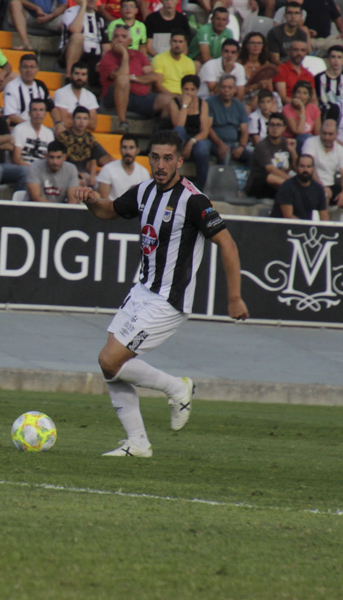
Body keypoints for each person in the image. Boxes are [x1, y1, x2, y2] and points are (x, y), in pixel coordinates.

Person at [71, 129, 249, 457]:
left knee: (111, 360)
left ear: (180, 161)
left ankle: (177, 387)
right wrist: (90, 199)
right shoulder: (144, 192)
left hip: (169, 299)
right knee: (108, 365)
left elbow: (228, 244)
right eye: (155, 157)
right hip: (142, 290)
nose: (161, 164)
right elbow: (107, 211)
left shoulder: (193, 200)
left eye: (168, 158)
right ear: (148, 159)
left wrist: (234, 297)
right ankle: (138, 443)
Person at [103, 25, 172, 131]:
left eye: (123, 36)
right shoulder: (108, 57)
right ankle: (123, 122)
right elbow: (121, 76)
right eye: (116, 36)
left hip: (140, 97)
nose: (119, 39)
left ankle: (160, 134)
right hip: (115, 96)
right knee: (123, 80)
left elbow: (153, 76)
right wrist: (125, 55)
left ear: (130, 41)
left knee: (169, 100)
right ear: (112, 40)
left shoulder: (139, 55)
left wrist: (135, 78)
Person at [302, 119, 343, 211]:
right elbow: (310, 168)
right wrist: (322, 187)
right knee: (324, 194)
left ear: (336, 135)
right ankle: (323, 224)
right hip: (311, 183)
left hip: (330, 184)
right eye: (324, 133)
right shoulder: (310, 142)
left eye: (330, 134)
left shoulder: (340, 150)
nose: (327, 137)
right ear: (320, 132)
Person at [171, 74, 213, 188]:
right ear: (181, 89)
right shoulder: (174, 102)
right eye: (186, 89)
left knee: (202, 149)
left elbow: (205, 131)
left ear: (197, 90)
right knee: (179, 130)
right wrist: (184, 105)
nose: (189, 92)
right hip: (180, 137)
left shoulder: (203, 104)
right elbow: (179, 125)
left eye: (192, 89)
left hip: (197, 138)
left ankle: (200, 187)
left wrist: (191, 142)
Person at [57, 105, 110, 187]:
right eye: (78, 118)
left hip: (84, 174)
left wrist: (92, 176)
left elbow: (93, 160)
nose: (82, 121)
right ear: (73, 119)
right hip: (65, 172)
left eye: (85, 119)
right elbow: (60, 160)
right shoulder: (64, 137)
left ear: (88, 121)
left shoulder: (90, 139)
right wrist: (78, 173)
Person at [247, 111, 296, 197]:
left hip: (279, 184)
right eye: (272, 125)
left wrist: (293, 151)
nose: (275, 128)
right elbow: (270, 169)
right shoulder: (262, 145)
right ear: (268, 127)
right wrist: (292, 182)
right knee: (268, 176)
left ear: (284, 128)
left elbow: (295, 167)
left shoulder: (287, 143)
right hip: (260, 185)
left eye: (278, 125)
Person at [206, 74, 250, 167]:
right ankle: (223, 181)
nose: (227, 90)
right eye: (224, 87)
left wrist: (241, 147)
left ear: (235, 89)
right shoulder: (210, 103)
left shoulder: (239, 106)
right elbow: (208, 127)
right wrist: (220, 144)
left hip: (234, 144)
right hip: (215, 143)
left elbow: (245, 130)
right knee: (225, 156)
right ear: (219, 88)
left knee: (252, 157)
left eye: (230, 87)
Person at [59, 0, 108, 86]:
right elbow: (75, 30)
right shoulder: (71, 12)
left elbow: (106, 44)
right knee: (78, 37)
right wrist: (83, 7)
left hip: (94, 56)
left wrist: (103, 61)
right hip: (74, 53)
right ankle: (69, 77)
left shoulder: (100, 18)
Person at [271, 154, 328, 220]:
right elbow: (288, 216)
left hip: (306, 227)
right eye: (302, 166)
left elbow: (324, 218)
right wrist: (305, 227)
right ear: (297, 168)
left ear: (313, 169)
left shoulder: (318, 189)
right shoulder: (286, 187)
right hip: (284, 227)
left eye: (308, 167)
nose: (305, 170)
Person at [96, 134, 150, 201]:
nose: (128, 152)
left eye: (131, 148)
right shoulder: (107, 169)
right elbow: (104, 200)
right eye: (124, 147)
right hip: (111, 209)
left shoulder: (144, 173)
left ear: (137, 150)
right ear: (120, 149)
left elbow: (144, 200)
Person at [1, 53, 49, 126]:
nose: (28, 70)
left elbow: (52, 107)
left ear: (37, 69)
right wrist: (29, 126)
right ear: (19, 69)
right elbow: (10, 115)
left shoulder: (40, 85)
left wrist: (59, 123)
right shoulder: (11, 87)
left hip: (36, 127)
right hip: (16, 128)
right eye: (25, 67)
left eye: (32, 67)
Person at [51, 61, 98, 134]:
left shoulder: (91, 96)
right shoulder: (61, 93)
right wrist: (84, 120)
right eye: (77, 74)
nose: (79, 77)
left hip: (84, 137)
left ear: (87, 77)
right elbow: (65, 122)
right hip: (65, 135)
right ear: (71, 75)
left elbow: (93, 125)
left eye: (83, 74)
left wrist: (71, 115)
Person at [150, 30, 195, 97]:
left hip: (183, 97)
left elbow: (190, 86)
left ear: (185, 43)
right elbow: (157, 86)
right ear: (170, 42)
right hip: (164, 96)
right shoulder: (159, 59)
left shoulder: (189, 62)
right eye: (175, 41)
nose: (177, 45)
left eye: (180, 42)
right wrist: (174, 97)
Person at [12, 98, 55, 165]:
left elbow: (50, 158)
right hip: (24, 168)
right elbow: (16, 159)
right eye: (35, 110)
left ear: (45, 114)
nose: (38, 113)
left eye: (41, 110)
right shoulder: (19, 129)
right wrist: (33, 170)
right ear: (29, 113)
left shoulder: (49, 133)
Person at [272, 38, 314, 105]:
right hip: (287, 108)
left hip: (305, 110)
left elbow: (313, 99)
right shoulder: (281, 69)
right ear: (289, 52)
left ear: (306, 53)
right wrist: (300, 106)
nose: (299, 53)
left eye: (302, 50)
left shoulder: (308, 74)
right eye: (296, 50)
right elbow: (283, 97)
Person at [282, 80, 319, 148]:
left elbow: (317, 133)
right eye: (298, 92)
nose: (301, 96)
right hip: (292, 141)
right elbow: (298, 132)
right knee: (303, 138)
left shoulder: (314, 108)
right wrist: (302, 109)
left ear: (308, 96)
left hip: (310, 142)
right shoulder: (287, 109)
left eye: (305, 93)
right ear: (294, 94)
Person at [313, 45, 343, 115]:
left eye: (339, 57)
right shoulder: (318, 78)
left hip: (342, 113)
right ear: (328, 60)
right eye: (333, 57)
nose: (336, 60)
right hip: (322, 113)